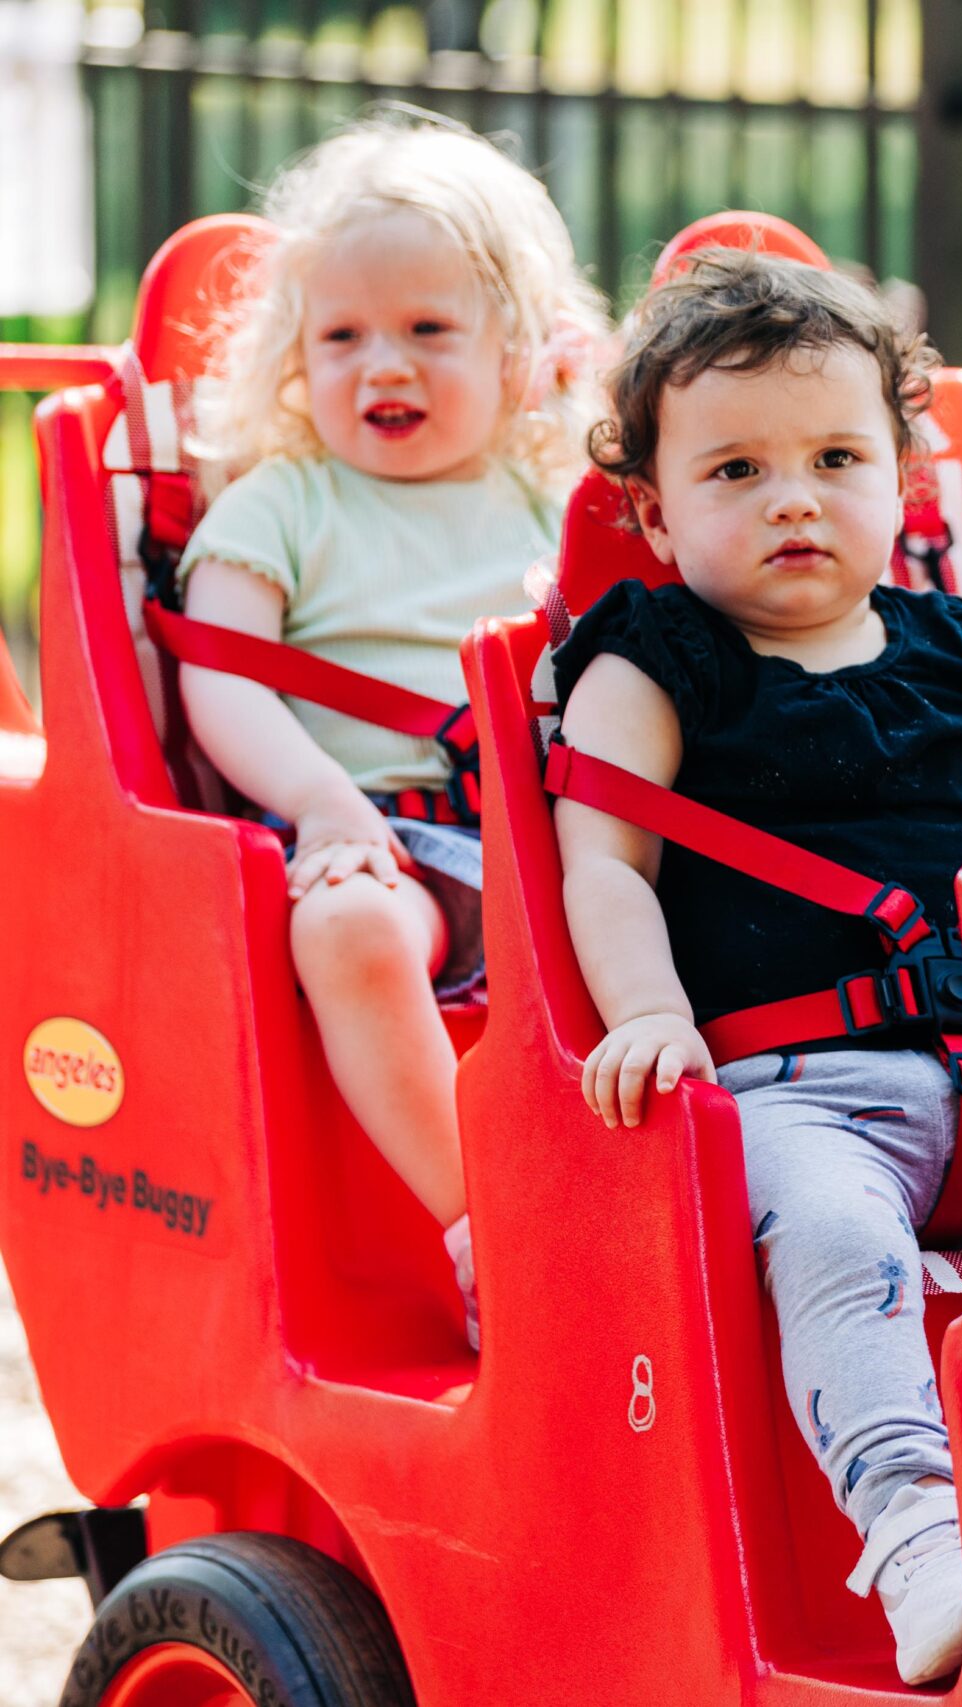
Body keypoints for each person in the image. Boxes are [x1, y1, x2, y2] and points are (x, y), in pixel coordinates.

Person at [549, 251, 962, 1685]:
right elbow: (604, 863)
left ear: (907, 477)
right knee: (840, 1238)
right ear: (654, 509)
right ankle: (913, 1529)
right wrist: (648, 1012)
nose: (795, 497)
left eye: (837, 457)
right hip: (789, 1088)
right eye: (738, 470)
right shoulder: (653, 663)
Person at [176, 106, 607, 1344]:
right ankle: (485, 1230)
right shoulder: (286, 500)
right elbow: (222, 673)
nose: (386, 366)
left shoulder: (544, 503)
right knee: (353, 929)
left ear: (518, 352)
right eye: (345, 335)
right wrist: (322, 804)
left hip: (562, 844)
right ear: (295, 359)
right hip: (391, 837)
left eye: (430, 330)